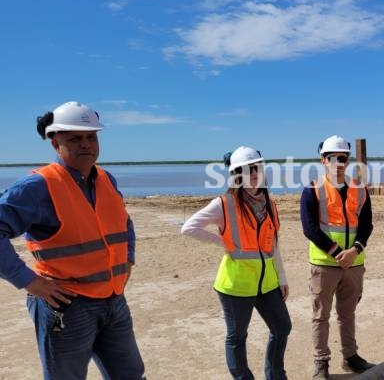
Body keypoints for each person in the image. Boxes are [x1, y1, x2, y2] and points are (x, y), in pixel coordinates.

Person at [0, 102, 145, 379]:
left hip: (113, 299)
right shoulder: (37, 187)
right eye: (75, 139)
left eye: (91, 137)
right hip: (66, 306)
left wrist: (128, 258)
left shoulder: (106, 179)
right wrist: (30, 281)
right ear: (55, 144)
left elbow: (123, 221)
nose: (86, 145)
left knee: (131, 374)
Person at [181, 146, 291, 380]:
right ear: (236, 175)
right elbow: (189, 228)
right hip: (236, 286)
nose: (254, 173)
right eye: (247, 169)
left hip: (267, 283)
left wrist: (281, 277)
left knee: (282, 327)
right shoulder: (224, 203)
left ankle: (276, 376)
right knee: (237, 337)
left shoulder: (270, 205)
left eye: (257, 168)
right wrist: (225, 242)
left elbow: (273, 245)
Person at [300, 135, 375, 379]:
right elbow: (309, 228)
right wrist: (335, 253)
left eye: (342, 158)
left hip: (353, 264)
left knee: (348, 313)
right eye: (332, 158)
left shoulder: (359, 189)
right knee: (320, 316)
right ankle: (321, 363)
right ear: (323, 160)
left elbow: (366, 225)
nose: (337, 163)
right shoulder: (313, 190)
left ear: (348, 160)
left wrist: (354, 250)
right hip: (324, 265)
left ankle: (350, 357)